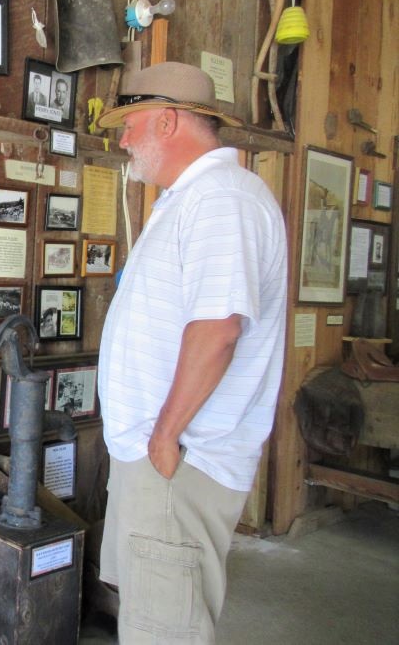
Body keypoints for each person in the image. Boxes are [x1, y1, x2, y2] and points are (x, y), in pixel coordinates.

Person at [95, 61, 287, 643]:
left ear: (169, 121)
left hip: (177, 460)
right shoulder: (192, 198)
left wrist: (163, 435)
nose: (123, 140)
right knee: (149, 614)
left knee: (165, 628)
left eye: (131, 125)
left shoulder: (223, 199)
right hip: (158, 458)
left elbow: (217, 330)